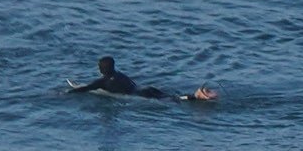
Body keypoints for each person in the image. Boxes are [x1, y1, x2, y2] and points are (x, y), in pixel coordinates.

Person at [68, 56, 217, 102]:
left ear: (101, 69)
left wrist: (65, 93)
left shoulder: (103, 81)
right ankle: (195, 95)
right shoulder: (120, 74)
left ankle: (196, 96)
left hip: (140, 95)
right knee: (170, 97)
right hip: (145, 88)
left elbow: (85, 88)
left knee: (170, 100)